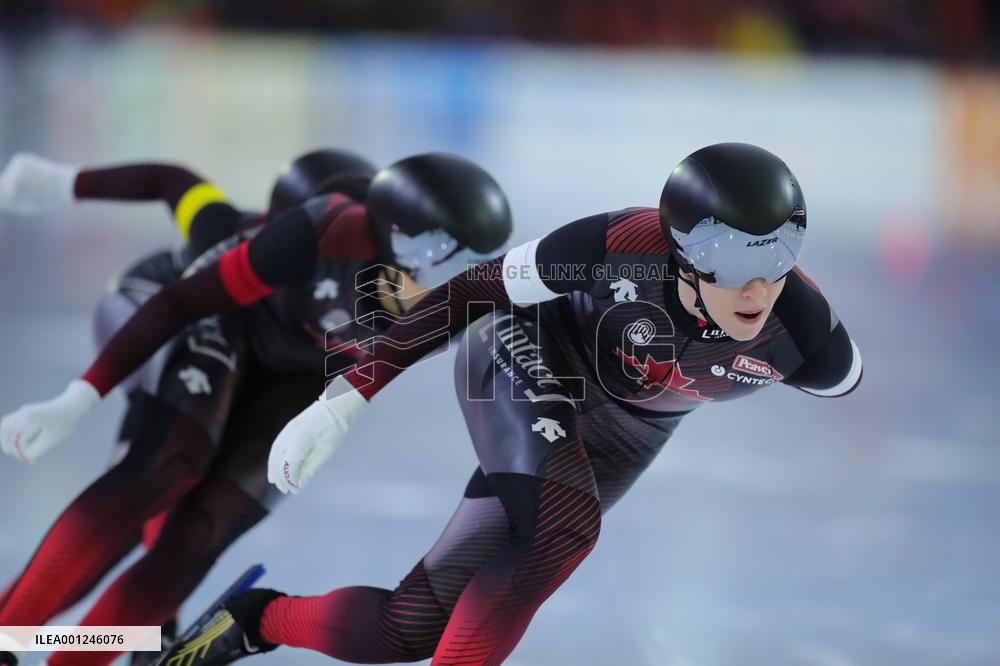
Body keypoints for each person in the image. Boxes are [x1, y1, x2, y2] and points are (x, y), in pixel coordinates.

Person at [151, 142, 864, 666]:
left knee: (408, 628)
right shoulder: (614, 244)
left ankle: (252, 621)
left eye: (779, 256)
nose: (758, 288)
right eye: (736, 260)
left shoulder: (808, 339)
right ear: (682, 250)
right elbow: (471, 293)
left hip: (627, 434)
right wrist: (344, 399)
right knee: (564, 526)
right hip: (524, 351)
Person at [0, 150, 513, 666]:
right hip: (198, 320)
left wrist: (332, 413)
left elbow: (365, 373)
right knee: (167, 467)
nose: (450, 294)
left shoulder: (452, 301)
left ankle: (75, 650)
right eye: (444, 276)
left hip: (299, 366)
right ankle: (11, 633)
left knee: (202, 528)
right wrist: (79, 396)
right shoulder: (312, 235)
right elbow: (179, 271)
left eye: (466, 277)